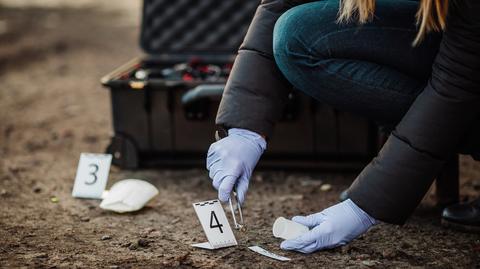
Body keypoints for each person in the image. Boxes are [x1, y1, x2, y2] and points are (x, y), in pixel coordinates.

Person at [207, 0, 480, 253]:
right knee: (299, 37)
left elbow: (460, 77)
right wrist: (245, 128)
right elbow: (282, 4)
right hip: (447, 32)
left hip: (469, 51)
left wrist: (369, 203)